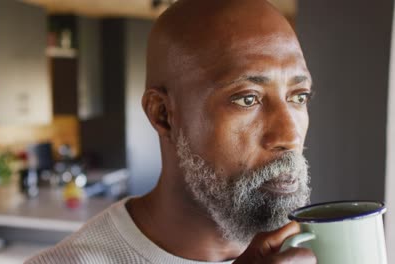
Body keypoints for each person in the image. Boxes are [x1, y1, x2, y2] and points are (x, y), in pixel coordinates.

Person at [26, 0, 316, 263]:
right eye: (247, 99)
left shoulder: (322, 249)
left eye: (299, 96)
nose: (289, 136)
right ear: (163, 114)